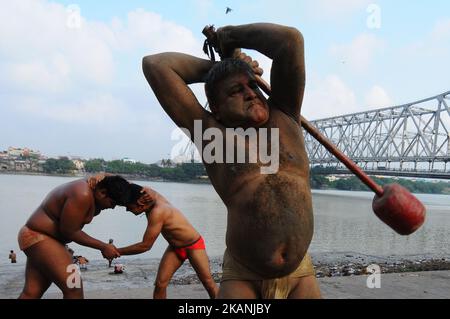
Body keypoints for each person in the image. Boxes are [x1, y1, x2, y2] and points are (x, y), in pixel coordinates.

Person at [142, 23, 321, 298]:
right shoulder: (210, 134)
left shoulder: (285, 115)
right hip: (244, 275)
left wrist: (231, 37)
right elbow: (155, 65)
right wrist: (220, 68)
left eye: (252, 86)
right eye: (235, 90)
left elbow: (290, 41)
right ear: (217, 109)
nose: (250, 92)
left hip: (300, 274)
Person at [17, 175, 149, 299]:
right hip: (40, 237)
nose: (112, 207)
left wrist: (149, 194)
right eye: (113, 203)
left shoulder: (98, 188)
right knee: (74, 287)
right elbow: (70, 231)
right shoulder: (82, 193)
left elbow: (121, 183)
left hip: (40, 239)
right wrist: (103, 246)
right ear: (102, 193)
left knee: (32, 293)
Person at [117, 183, 218, 299]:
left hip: (193, 246)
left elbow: (145, 246)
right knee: (160, 284)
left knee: (208, 283)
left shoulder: (158, 211)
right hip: (175, 248)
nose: (127, 210)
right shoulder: (151, 198)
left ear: (140, 204)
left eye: (129, 207)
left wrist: (117, 251)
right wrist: (102, 175)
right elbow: (125, 184)